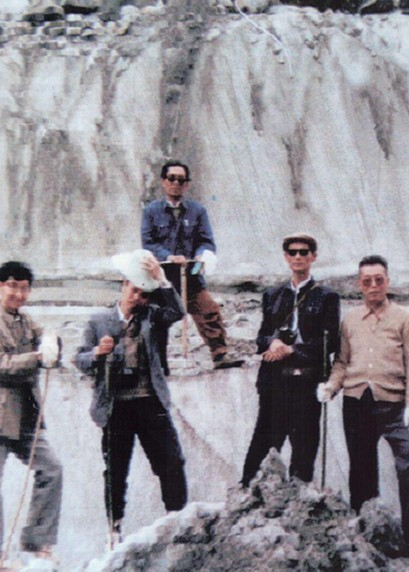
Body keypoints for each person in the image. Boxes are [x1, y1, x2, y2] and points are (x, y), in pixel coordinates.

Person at [317, 255, 409, 555]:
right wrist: (331, 386)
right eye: (367, 281)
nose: (373, 286)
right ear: (360, 285)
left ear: (387, 282)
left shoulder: (404, 319)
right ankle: (367, 533)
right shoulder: (350, 320)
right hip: (357, 404)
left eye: (379, 280)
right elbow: (342, 362)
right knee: (361, 469)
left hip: (395, 406)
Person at [74, 250, 188, 545]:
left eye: (144, 294)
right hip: (116, 405)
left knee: (171, 461)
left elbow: (178, 312)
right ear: (124, 285)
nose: (138, 298)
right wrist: (98, 353)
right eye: (135, 290)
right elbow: (80, 360)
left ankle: (176, 520)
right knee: (115, 470)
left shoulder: (152, 317)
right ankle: (114, 529)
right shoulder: (99, 321)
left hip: (150, 401)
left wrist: (163, 281)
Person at [0, 261, 63, 569]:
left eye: (25, 288)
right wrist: (37, 357)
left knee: (52, 470)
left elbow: (49, 343)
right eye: (13, 286)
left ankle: (37, 541)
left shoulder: (27, 321)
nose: (18, 294)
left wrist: (52, 341)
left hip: (27, 416)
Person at [240, 233, 340, 486]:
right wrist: (272, 342)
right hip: (274, 381)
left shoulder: (327, 296)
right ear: (286, 257)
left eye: (303, 252)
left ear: (313, 257)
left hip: (306, 382)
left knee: (304, 449)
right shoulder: (273, 294)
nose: (298, 257)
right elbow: (261, 336)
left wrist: (293, 350)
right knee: (263, 443)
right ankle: (248, 492)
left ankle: (299, 500)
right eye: (292, 252)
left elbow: (330, 343)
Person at [140, 160, 241, 370]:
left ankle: (220, 355)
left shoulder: (197, 211)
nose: (176, 183)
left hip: (191, 275)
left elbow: (207, 241)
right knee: (155, 319)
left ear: (187, 184)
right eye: (172, 178)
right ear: (163, 181)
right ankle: (156, 365)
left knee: (209, 310)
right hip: (162, 277)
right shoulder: (151, 211)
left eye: (181, 180)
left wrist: (200, 255)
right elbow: (148, 243)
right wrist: (169, 256)